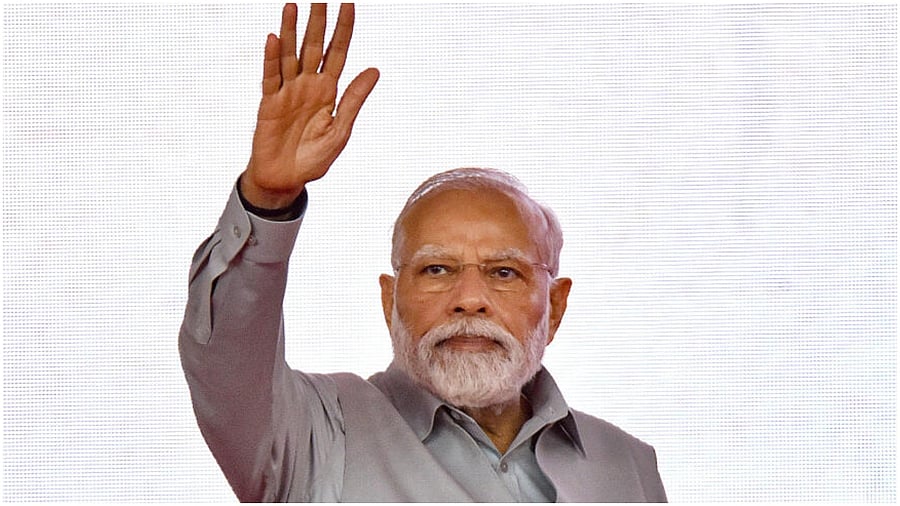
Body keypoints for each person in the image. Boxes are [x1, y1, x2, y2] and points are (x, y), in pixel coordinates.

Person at [179, 3, 667, 502]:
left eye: (503, 272)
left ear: (556, 305)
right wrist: (268, 199)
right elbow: (226, 360)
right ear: (390, 299)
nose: (469, 299)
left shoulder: (627, 465)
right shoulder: (313, 435)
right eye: (437, 268)